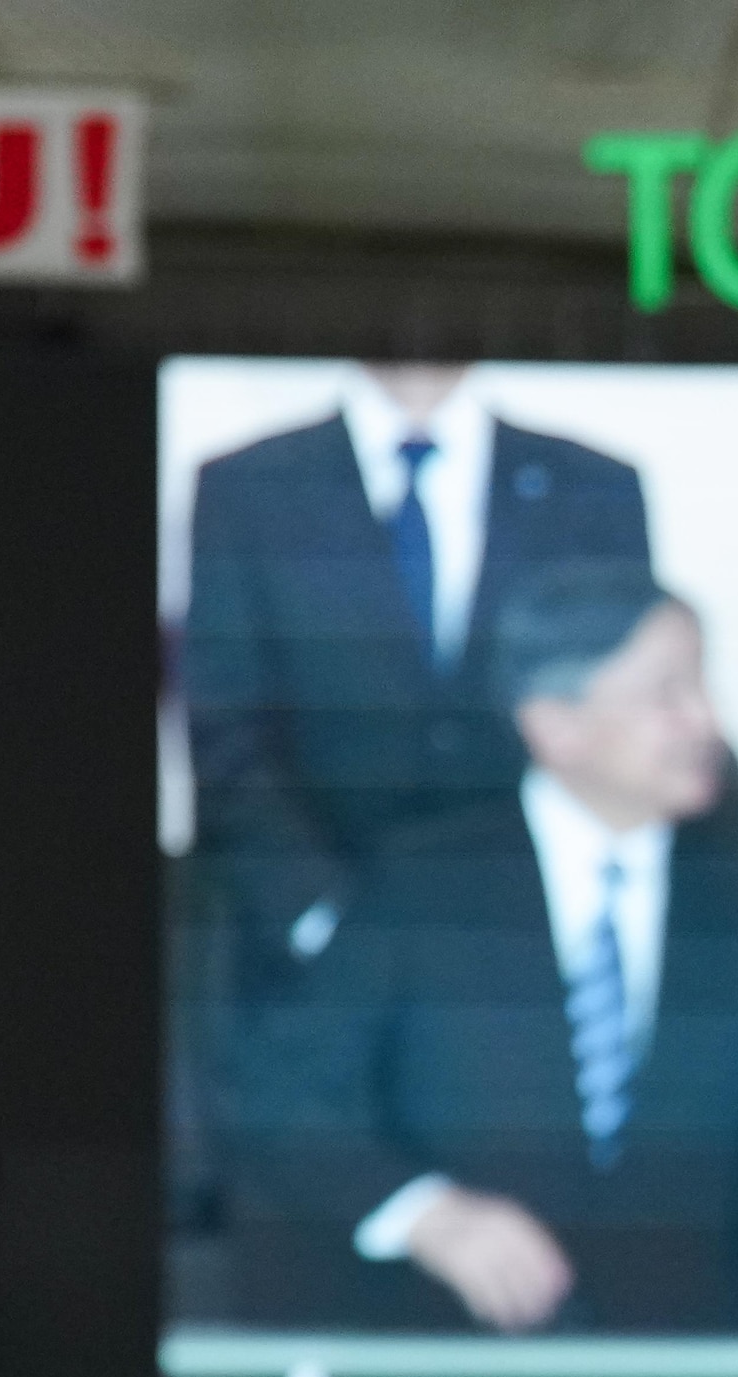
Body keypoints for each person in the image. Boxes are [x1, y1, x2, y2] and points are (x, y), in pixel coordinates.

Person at [230, 562, 738, 1377]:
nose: (705, 723)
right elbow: (277, 1098)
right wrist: (424, 1212)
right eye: (667, 693)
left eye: (703, 687)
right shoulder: (423, 888)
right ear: (555, 727)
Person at [185, 364, 658, 983]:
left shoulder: (593, 488)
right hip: (309, 962)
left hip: (536, 960)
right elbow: (223, 724)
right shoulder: (247, 487)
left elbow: (626, 715)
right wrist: (316, 914)